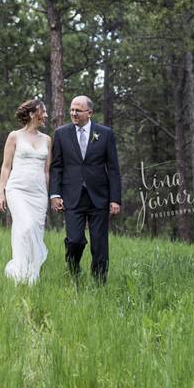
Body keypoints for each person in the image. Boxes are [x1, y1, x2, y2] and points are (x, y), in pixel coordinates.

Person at [49, 95, 121, 284]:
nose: (73, 113)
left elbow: (113, 168)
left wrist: (115, 199)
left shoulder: (105, 134)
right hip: (72, 197)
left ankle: (99, 283)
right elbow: (56, 166)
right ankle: (73, 272)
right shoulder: (61, 133)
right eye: (72, 110)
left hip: (99, 197)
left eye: (78, 110)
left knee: (99, 243)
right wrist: (55, 194)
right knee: (74, 240)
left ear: (89, 113)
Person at [0, 99, 51, 285]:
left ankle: (31, 275)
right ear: (31, 114)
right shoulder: (15, 136)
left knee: (35, 231)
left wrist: (49, 195)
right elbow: (6, 167)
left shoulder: (47, 140)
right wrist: (1, 193)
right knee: (26, 226)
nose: (45, 115)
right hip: (17, 189)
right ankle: (18, 271)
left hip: (38, 194)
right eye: (42, 112)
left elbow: (46, 171)